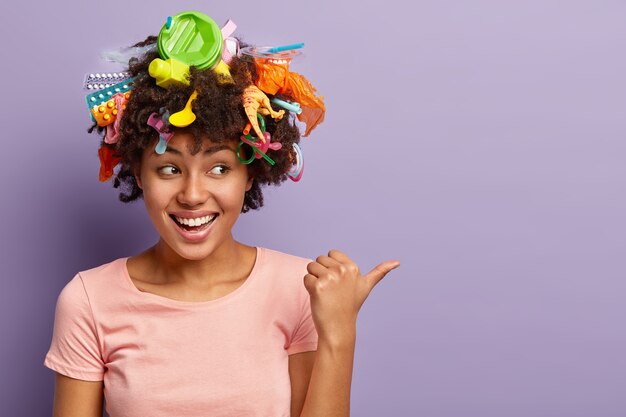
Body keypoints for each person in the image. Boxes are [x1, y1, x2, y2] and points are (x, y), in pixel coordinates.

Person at [44, 11, 400, 417]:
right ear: (138, 173)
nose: (193, 195)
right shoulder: (89, 301)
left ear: (250, 173)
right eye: (169, 168)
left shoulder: (301, 290)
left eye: (219, 168)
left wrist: (340, 333)